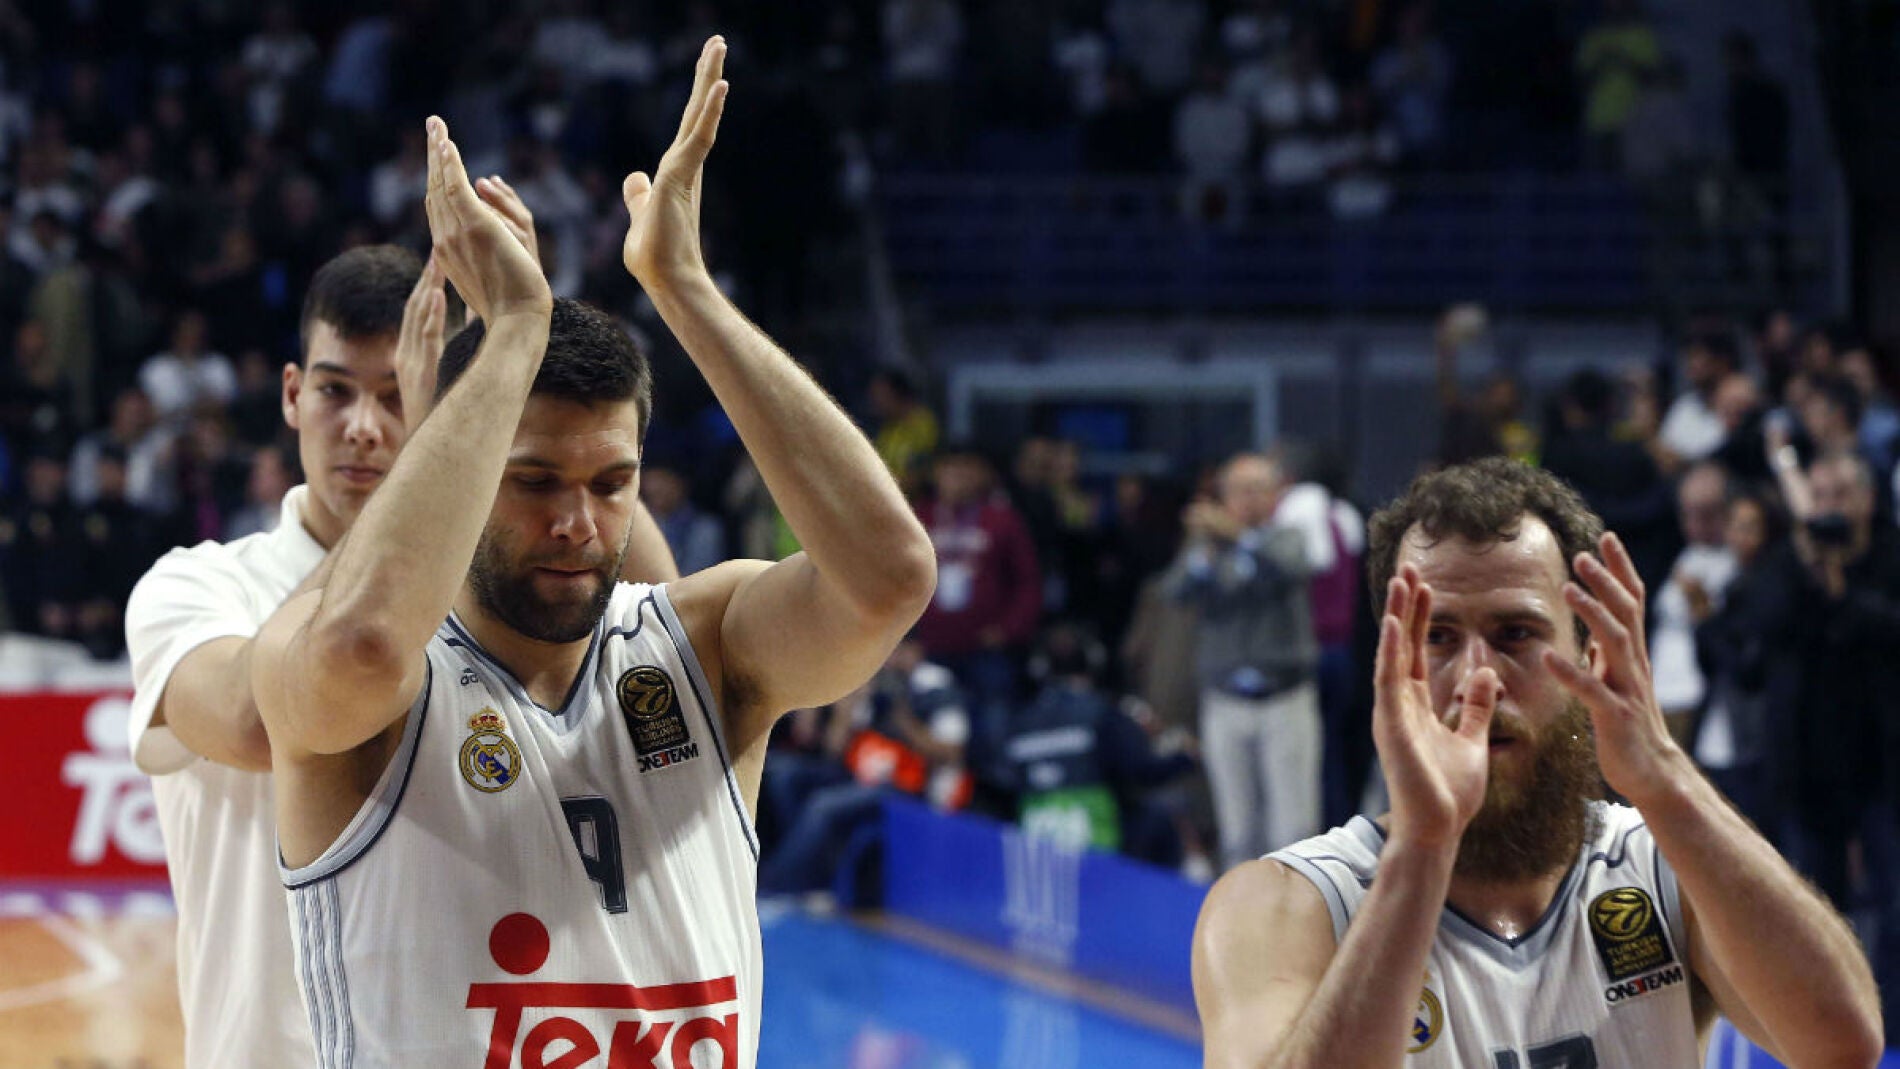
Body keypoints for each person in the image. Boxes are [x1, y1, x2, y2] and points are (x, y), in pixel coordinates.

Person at [252, 40, 934, 1064]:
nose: (577, 522)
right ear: (468, 470)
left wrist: (684, 289)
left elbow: (888, 579)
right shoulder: (358, 672)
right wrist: (514, 327)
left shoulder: (705, 646)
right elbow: (359, 647)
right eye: (534, 482)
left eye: (611, 484)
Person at [123, 207, 678, 1064]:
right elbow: (255, 719)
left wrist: (518, 345)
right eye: (336, 390)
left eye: (396, 397)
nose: (366, 427)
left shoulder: (502, 589)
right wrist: (432, 463)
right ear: (290, 395)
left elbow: (655, 628)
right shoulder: (196, 585)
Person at [1192, 457, 1880, 1068]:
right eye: (1439, 637)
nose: (1478, 679)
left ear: (1591, 655)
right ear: (1391, 662)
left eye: (1515, 633)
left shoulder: (1665, 865)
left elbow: (1841, 1044)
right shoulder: (1282, 904)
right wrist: (1423, 847)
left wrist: (1664, 774)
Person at [1164, 451, 1319, 868]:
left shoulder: (1288, 537)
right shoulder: (1207, 546)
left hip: (1284, 698)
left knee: (1293, 828)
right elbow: (1173, 592)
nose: (1249, 500)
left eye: (1258, 489)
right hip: (1225, 700)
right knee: (1237, 830)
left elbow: (1289, 567)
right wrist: (1205, 552)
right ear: (1224, 496)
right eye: (1239, 491)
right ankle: (1243, 909)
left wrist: (1236, 536)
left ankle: (1294, 907)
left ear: (1275, 495)